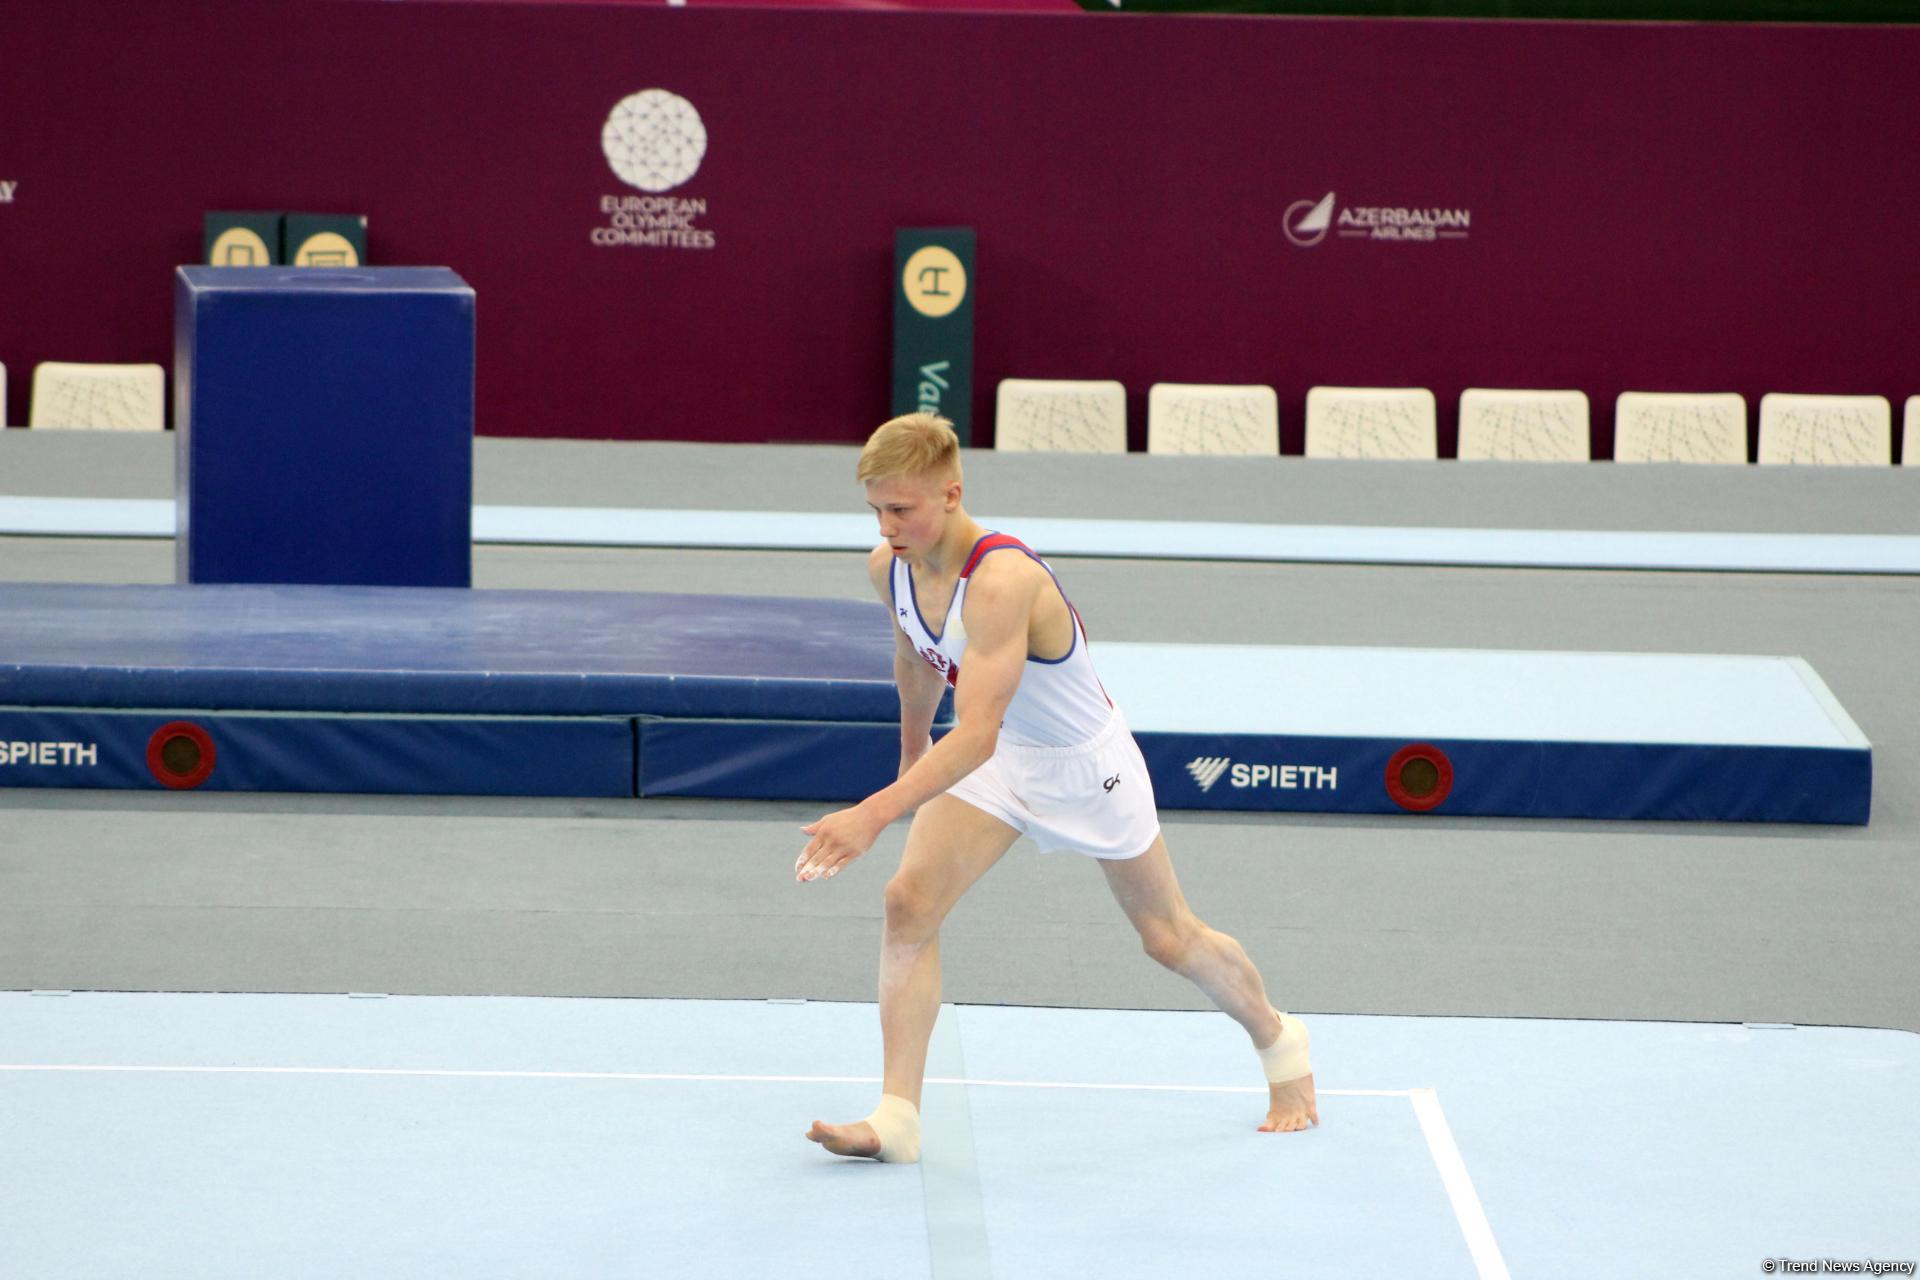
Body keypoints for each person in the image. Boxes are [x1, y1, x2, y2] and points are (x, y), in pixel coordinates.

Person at [797, 412, 1314, 1163]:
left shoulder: (1004, 581)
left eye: (901, 509)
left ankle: (1281, 1044)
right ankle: (897, 1118)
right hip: (1004, 757)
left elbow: (973, 734)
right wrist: (911, 752)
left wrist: (873, 815)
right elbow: (914, 659)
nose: (887, 526)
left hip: (1084, 766)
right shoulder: (890, 565)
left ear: (951, 493)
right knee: (908, 902)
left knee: (1168, 937)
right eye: (876, 510)